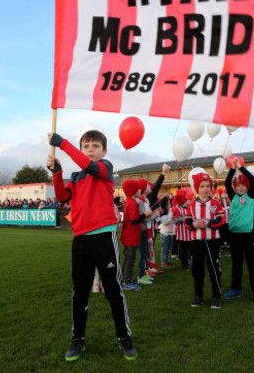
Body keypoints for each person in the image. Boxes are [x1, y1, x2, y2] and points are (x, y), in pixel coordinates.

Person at [48, 130, 137, 362]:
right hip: (81, 239)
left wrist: (64, 144)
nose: (90, 149)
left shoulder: (105, 168)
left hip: (104, 237)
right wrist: (57, 172)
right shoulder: (76, 176)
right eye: (86, 146)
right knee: (79, 292)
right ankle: (78, 339)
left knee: (113, 290)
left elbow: (91, 167)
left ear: (104, 151)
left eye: (95, 146)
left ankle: (124, 337)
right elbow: (61, 197)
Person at [223, 157, 254, 305]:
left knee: (253, 263)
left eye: (243, 185)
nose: (240, 187)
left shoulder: (251, 195)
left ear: (247, 187)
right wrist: (231, 168)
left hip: (248, 235)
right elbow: (226, 182)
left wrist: (240, 167)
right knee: (236, 263)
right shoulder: (233, 196)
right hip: (234, 235)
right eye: (238, 185)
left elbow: (252, 181)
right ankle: (236, 289)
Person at [184, 172, 226, 309]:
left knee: (214, 269)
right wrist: (194, 225)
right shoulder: (191, 205)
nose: (205, 189)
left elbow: (222, 219)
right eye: (202, 186)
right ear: (197, 188)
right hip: (196, 242)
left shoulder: (215, 203)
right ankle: (198, 296)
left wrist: (209, 222)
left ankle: (216, 296)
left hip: (213, 241)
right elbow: (186, 221)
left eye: (208, 186)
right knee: (197, 270)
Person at [120, 179, 143, 290]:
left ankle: (124, 279)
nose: (140, 190)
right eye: (138, 189)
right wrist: (145, 215)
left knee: (127, 259)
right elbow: (134, 220)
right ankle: (127, 282)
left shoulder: (129, 201)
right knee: (130, 260)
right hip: (131, 236)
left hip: (128, 235)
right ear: (133, 191)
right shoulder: (133, 203)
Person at [172, 189, 192, 270]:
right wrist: (184, 218)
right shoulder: (177, 209)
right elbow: (175, 220)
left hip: (190, 234)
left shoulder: (189, 208)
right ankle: (184, 266)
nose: (189, 201)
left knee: (191, 249)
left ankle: (190, 260)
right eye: (187, 199)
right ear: (183, 201)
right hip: (181, 236)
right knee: (183, 251)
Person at [157, 196, 175, 268]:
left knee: (168, 249)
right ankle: (164, 262)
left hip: (170, 233)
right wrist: (171, 218)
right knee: (164, 249)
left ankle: (167, 261)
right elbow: (165, 223)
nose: (170, 206)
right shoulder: (163, 214)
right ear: (165, 206)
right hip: (165, 234)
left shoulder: (168, 212)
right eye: (168, 204)